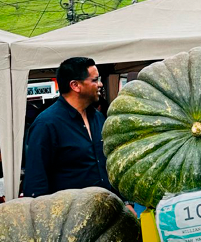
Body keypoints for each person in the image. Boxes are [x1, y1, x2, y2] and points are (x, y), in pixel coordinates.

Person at [23, 57, 128, 203]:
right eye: (95, 80)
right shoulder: (46, 124)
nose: (100, 84)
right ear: (75, 85)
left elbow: (109, 164)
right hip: (69, 214)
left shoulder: (98, 117)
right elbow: (35, 182)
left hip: (107, 209)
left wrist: (123, 202)